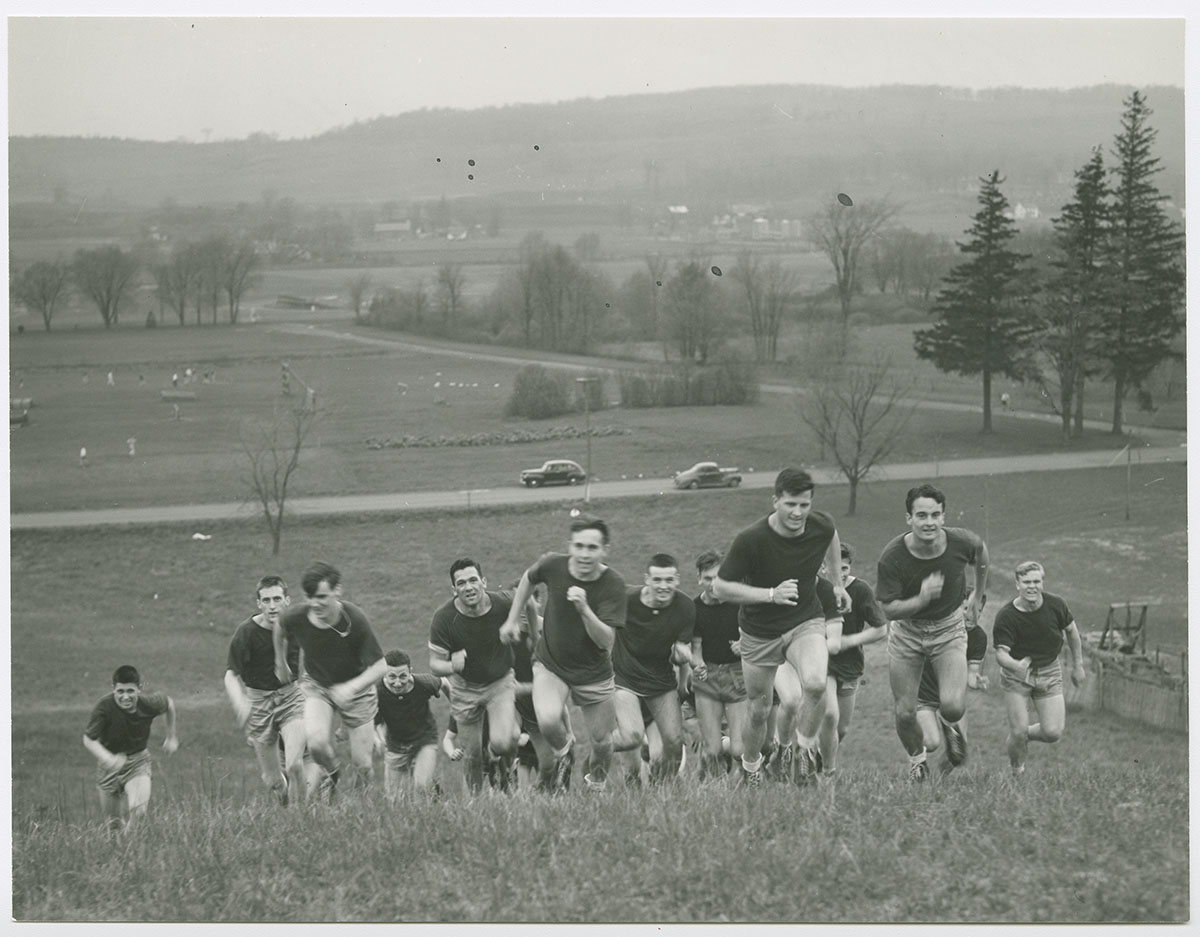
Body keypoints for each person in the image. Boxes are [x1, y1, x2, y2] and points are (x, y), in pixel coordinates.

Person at [713, 467, 851, 788]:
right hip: (759, 631)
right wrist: (770, 595)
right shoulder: (752, 540)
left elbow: (831, 535)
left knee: (816, 684)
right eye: (790, 504)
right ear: (775, 501)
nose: (798, 512)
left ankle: (803, 750)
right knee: (760, 710)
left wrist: (838, 583)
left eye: (805, 504)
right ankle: (751, 768)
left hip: (805, 619)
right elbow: (721, 588)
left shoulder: (820, 525)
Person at [499, 515, 627, 793]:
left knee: (602, 743)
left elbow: (606, 641)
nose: (584, 554)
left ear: (605, 549)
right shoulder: (553, 565)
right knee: (546, 719)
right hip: (551, 664)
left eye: (592, 548)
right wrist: (511, 619)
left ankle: (596, 785)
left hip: (594, 672)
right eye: (578, 546)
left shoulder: (613, 584)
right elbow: (528, 579)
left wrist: (584, 609)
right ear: (570, 546)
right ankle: (565, 751)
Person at [876, 483, 989, 782]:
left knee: (952, 706)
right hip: (907, 634)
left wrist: (977, 594)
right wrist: (921, 600)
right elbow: (888, 610)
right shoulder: (893, 556)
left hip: (948, 629)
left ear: (943, 516)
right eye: (922, 515)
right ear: (908, 518)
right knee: (904, 712)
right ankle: (917, 761)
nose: (929, 522)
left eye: (935, 515)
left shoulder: (961, 542)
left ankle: (951, 727)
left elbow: (981, 552)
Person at [275, 561, 387, 795]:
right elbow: (280, 626)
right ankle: (333, 773)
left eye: (322, 596)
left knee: (363, 766)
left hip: (358, 691)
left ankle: (361, 809)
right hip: (318, 686)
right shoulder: (298, 615)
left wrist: (350, 687)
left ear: (338, 591)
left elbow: (380, 667)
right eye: (310, 597)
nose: (315, 604)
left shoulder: (354, 620)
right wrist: (280, 661)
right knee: (316, 743)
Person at [428, 558, 521, 793]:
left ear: (484, 582)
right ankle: (476, 805)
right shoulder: (444, 618)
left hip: (499, 683)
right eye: (461, 583)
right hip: (464, 687)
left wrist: (527, 630)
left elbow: (528, 603)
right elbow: (435, 665)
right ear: (454, 590)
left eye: (473, 580)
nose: (468, 587)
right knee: (471, 756)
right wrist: (452, 665)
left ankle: (503, 766)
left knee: (502, 741)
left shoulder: (503, 603)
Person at [993, 561, 1087, 776]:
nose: (1032, 586)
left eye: (1036, 581)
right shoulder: (1007, 616)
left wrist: (1078, 666)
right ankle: (1017, 773)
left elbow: (1072, 632)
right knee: (1016, 732)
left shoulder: (1056, 605)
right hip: (1016, 676)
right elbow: (1000, 654)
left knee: (1053, 732)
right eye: (1026, 582)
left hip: (1049, 671)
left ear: (1042, 582)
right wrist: (1015, 665)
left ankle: (1021, 734)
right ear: (1017, 584)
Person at [609, 553, 696, 784]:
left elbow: (680, 649)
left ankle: (661, 791)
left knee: (674, 743)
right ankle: (599, 750)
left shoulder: (685, 607)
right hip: (624, 678)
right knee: (632, 737)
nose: (663, 586)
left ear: (677, 579)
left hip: (660, 683)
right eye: (657, 580)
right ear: (646, 578)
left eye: (669, 580)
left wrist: (680, 656)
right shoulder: (626, 600)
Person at [223, 575, 307, 805]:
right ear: (258, 603)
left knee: (295, 764)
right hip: (259, 703)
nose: (272, 606)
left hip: (290, 698)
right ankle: (285, 803)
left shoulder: (297, 626)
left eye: (277, 599)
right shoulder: (246, 633)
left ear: (287, 601)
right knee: (273, 781)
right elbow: (231, 674)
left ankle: (303, 818)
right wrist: (240, 702)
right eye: (266, 600)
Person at [819, 544, 888, 780]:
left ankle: (819, 757)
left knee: (842, 729)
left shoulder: (861, 590)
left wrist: (849, 641)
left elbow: (881, 630)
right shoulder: (818, 589)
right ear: (823, 568)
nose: (842, 574)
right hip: (822, 663)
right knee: (829, 715)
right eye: (835, 569)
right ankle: (828, 774)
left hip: (850, 666)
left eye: (845, 568)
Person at [82, 665, 179, 831]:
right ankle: (120, 849)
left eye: (130, 691)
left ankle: (131, 844)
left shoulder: (148, 704)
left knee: (138, 812)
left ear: (139, 689)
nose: (125, 697)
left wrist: (171, 737)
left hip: (138, 761)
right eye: (120, 691)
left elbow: (169, 704)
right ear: (113, 689)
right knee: (113, 826)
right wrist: (108, 759)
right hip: (108, 767)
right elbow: (88, 739)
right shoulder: (104, 707)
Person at [690, 551, 747, 780]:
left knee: (738, 749)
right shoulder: (694, 608)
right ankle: (717, 788)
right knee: (712, 749)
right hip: (709, 677)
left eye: (718, 577)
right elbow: (695, 647)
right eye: (707, 578)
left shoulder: (740, 604)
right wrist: (698, 664)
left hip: (738, 675)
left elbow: (755, 638)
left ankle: (749, 778)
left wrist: (745, 646)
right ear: (699, 578)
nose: (713, 584)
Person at [915, 607, 989, 778]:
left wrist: (975, 680)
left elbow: (971, 673)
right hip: (924, 695)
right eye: (965, 609)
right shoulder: (935, 628)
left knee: (958, 753)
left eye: (977, 610)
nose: (971, 614)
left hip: (952, 697)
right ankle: (917, 764)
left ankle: (939, 782)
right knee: (931, 742)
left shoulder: (978, 637)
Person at [375, 650, 448, 796]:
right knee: (394, 799)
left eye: (403, 676)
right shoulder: (377, 692)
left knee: (421, 787)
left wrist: (457, 708)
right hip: (396, 744)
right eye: (392, 677)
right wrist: (378, 738)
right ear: (384, 674)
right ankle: (434, 792)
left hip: (424, 738)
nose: (397, 682)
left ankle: (432, 798)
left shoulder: (423, 683)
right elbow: (374, 721)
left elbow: (444, 682)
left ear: (410, 672)